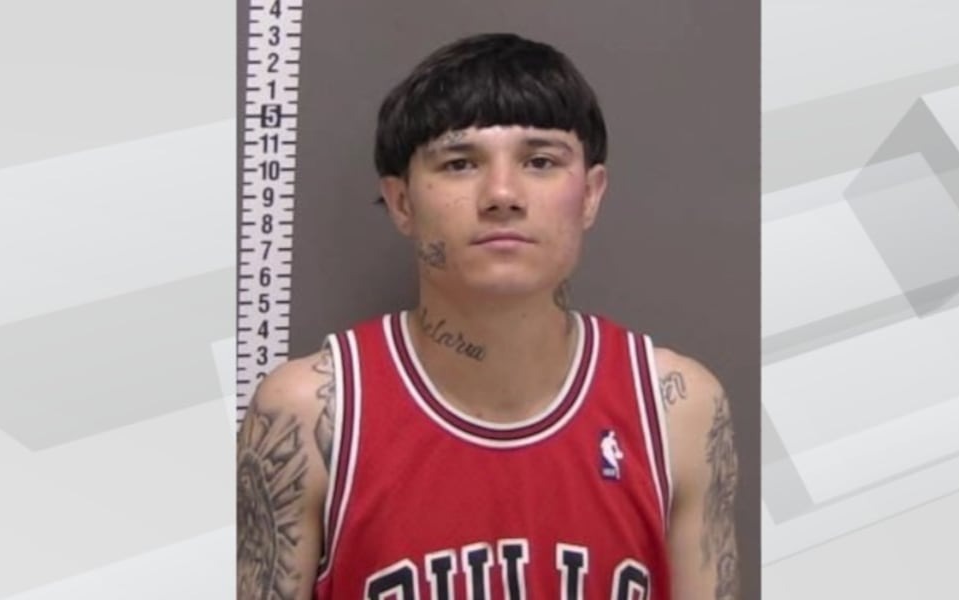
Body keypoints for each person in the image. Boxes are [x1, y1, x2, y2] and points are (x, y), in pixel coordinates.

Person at [237, 32, 739, 600]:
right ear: (402, 202)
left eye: (541, 161)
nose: (502, 194)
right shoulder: (309, 414)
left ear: (591, 194)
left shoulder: (678, 410)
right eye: (459, 163)